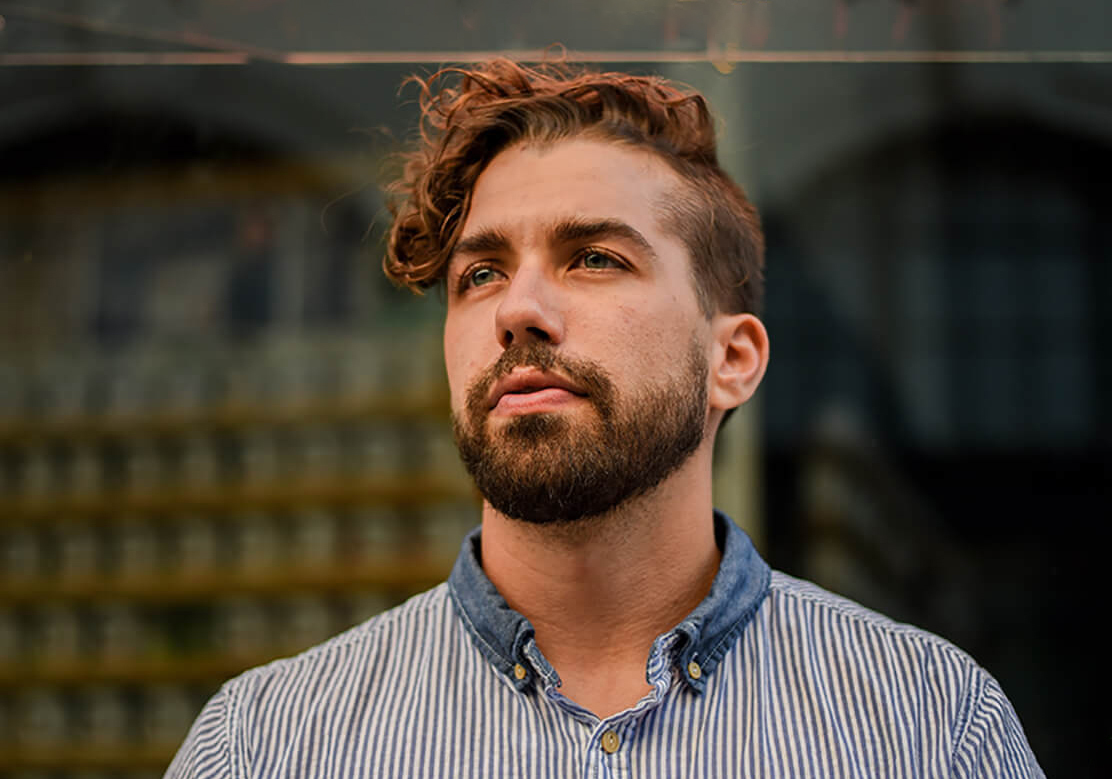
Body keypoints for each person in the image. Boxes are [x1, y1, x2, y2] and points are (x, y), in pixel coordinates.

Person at [167, 59, 1043, 778]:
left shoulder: (928, 727)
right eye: (481, 274)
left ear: (730, 360)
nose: (519, 309)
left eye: (593, 257)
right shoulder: (269, 744)